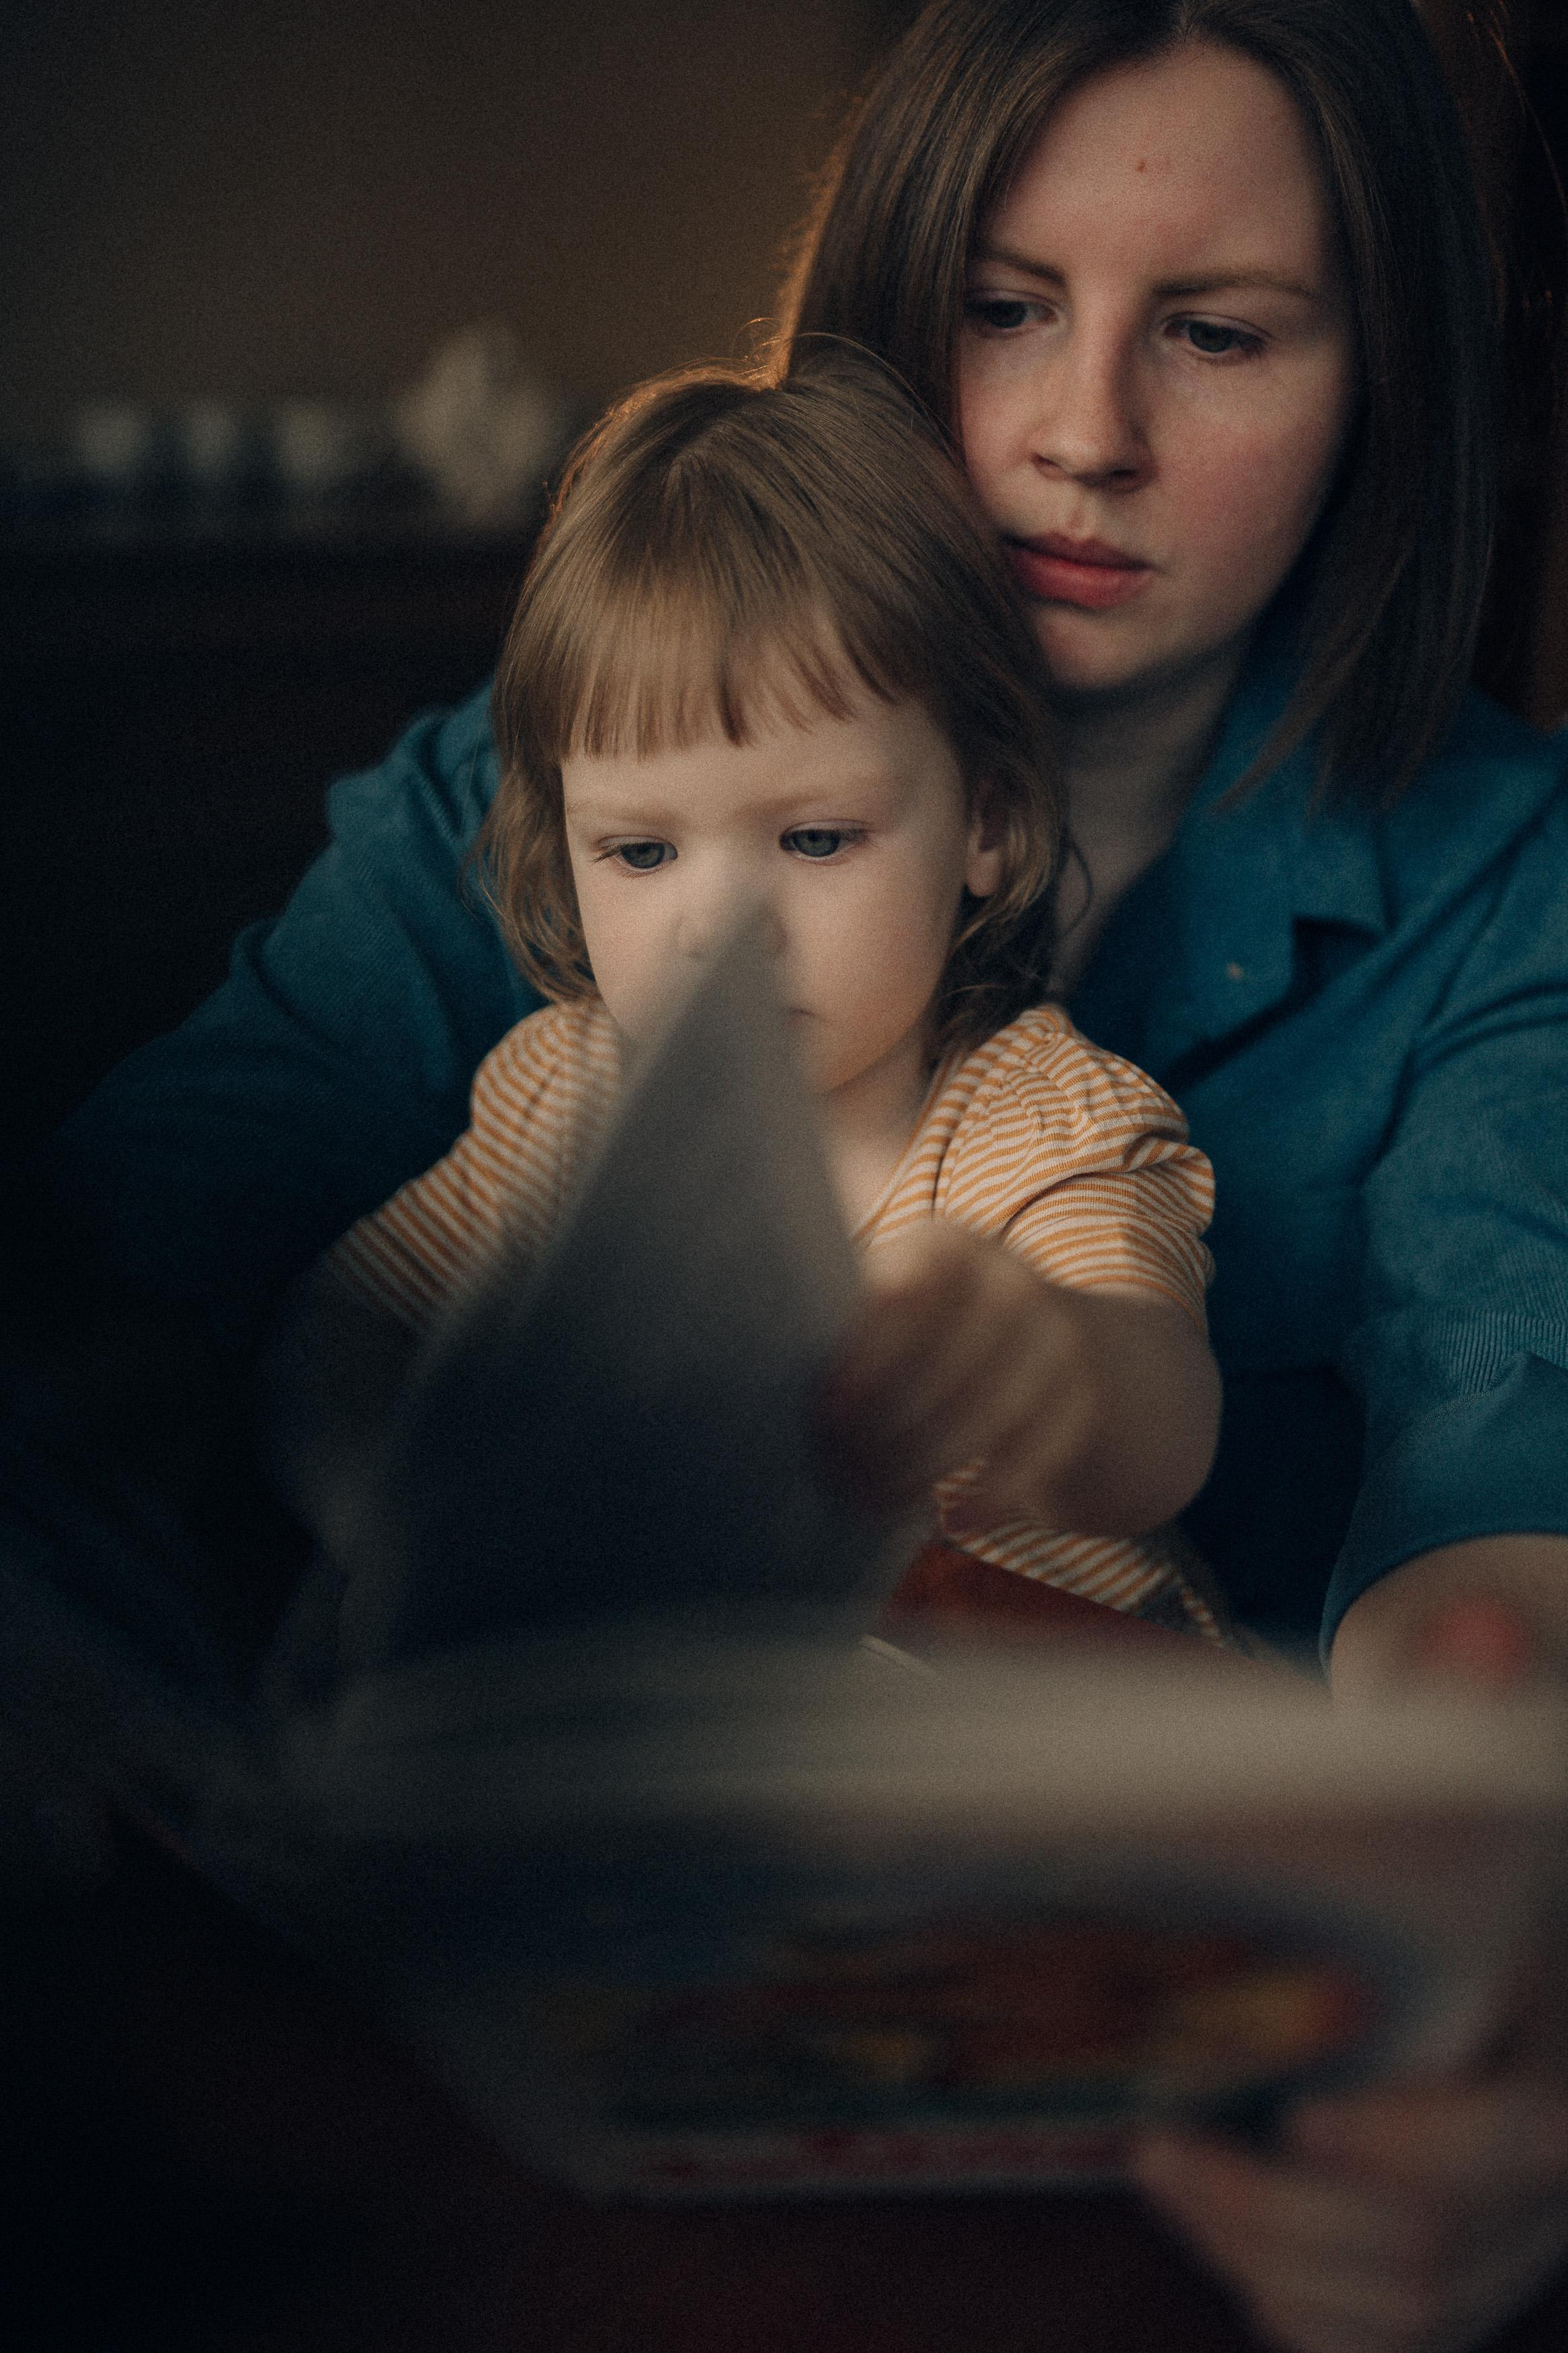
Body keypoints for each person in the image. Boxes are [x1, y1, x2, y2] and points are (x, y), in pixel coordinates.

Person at [30, 0, 1568, 2344]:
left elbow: (1493, 1526)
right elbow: (136, 1262)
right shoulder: (561, 762)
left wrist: (1496, 2016)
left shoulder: (1506, 889)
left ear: (1383, 390)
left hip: (1089, 2059)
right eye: (998, 308)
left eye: (1221, 335)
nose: (1081, 437)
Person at [265, 356, 1225, 1643]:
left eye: (817, 839)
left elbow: (1162, 1423)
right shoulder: (560, 1095)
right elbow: (346, 1327)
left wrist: (1045, 1357)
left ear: (987, 821)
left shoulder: (1049, 1126)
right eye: (641, 852)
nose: (718, 927)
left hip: (1042, 1759)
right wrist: (395, 1515)